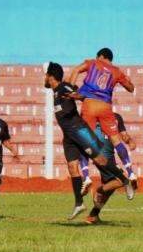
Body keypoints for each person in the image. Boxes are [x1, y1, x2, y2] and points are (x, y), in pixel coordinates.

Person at [44, 61, 135, 219]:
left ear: (50, 76)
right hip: (68, 136)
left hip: (80, 131)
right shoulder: (54, 92)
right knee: (72, 167)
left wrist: (76, 95)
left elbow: (82, 94)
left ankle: (124, 180)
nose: (44, 78)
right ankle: (79, 204)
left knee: (100, 159)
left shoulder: (63, 87)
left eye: (45, 75)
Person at [68, 48, 137, 190]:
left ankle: (86, 177)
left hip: (90, 105)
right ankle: (130, 173)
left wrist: (71, 88)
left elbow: (75, 70)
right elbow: (131, 88)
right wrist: (129, 82)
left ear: (101, 56)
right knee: (116, 140)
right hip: (105, 106)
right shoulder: (116, 71)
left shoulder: (93, 63)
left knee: (84, 141)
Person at [84, 113, 136, 224]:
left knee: (110, 188)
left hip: (110, 157)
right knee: (121, 180)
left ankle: (93, 216)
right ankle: (98, 191)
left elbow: (124, 136)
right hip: (100, 157)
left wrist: (130, 141)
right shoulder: (91, 115)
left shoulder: (117, 117)